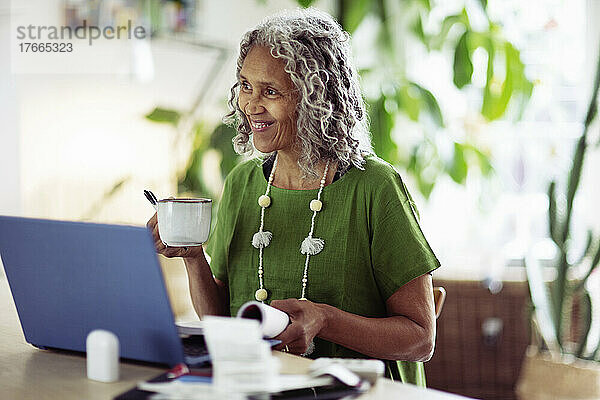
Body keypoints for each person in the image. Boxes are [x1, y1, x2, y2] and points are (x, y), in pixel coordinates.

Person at [147, 8, 440, 386]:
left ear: (317, 99)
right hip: (261, 388)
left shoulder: (375, 187)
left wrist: (325, 320)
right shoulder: (243, 183)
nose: (251, 105)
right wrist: (193, 258)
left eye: (270, 91)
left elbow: (420, 339)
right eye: (245, 86)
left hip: (354, 393)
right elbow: (219, 322)